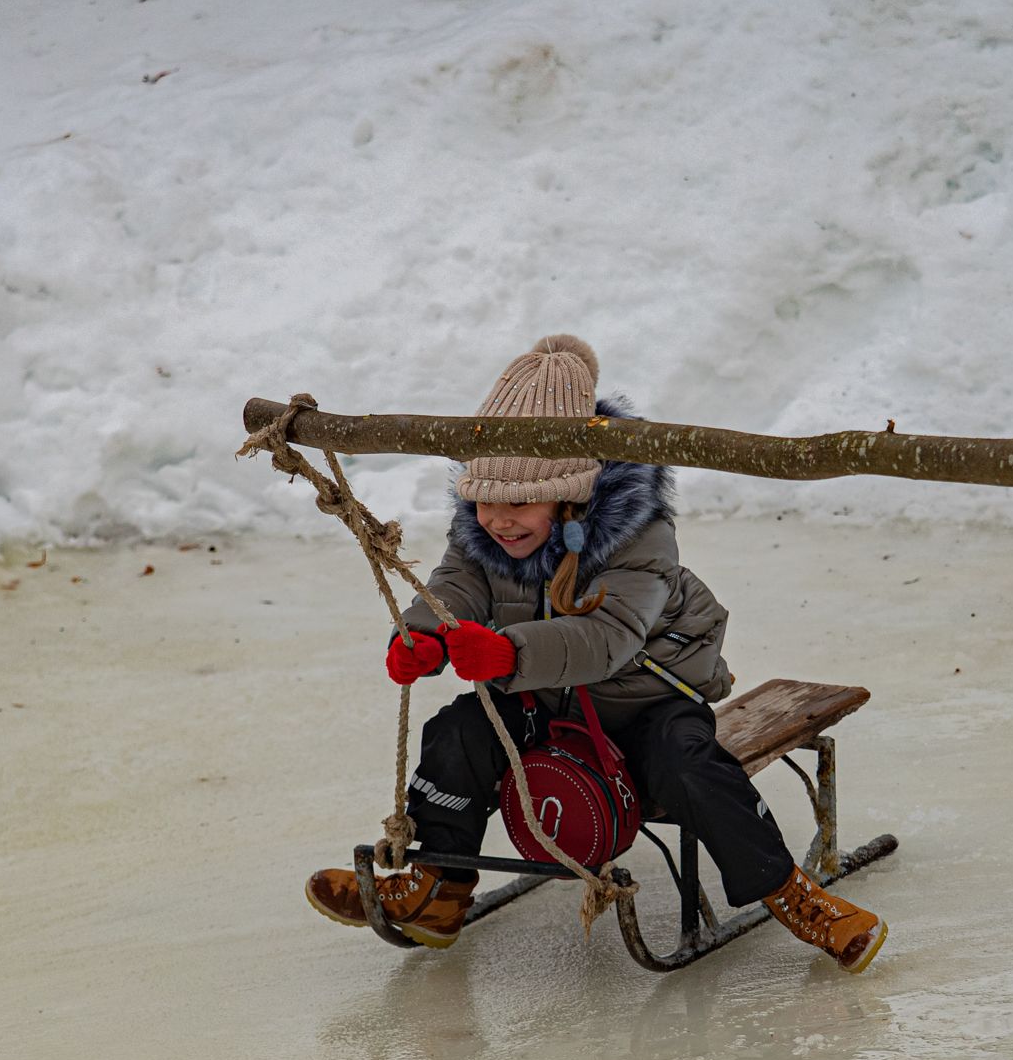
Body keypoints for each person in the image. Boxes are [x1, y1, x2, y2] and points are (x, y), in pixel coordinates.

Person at [305, 335, 886, 973]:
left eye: (520, 502)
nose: (499, 519)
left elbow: (609, 636)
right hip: (541, 697)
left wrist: (505, 653)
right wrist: (421, 635)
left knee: (688, 765)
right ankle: (440, 886)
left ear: (571, 495)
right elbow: (457, 585)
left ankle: (790, 893)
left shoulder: (640, 535)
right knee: (458, 734)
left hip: (644, 697)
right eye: (484, 500)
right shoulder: (484, 528)